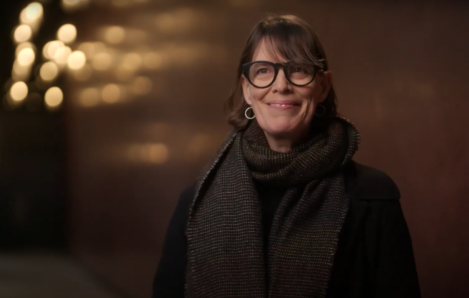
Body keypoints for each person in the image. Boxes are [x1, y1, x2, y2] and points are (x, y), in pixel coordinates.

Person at [152, 14, 420, 298]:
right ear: (247, 88)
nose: (281, 85)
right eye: (263, 71)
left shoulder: (373, 198)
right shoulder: (197, 201)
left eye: (299, 69)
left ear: (323, 86)